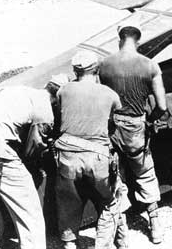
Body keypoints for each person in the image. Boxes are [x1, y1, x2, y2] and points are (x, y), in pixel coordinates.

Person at [0, 75, 68, 249]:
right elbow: (33, 149)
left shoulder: (19, 90)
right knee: (29, 208)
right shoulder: (45, 111)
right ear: (58, 98)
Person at [99, 23, 167, 244]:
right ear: (138, 41)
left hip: (113, 128)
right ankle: (155, 225)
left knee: (116, 176)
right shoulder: (150, 66)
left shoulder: (105, 65)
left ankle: (122, 234)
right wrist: (150, 119)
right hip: (136, 128)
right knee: (145, 173)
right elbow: (162, 106)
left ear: (120, 40)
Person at [54, 50, 128, 249]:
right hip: (97, 158)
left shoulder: (64, 91)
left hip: (67, 157)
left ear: (75, 70)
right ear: (96, 69)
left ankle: (70, 245)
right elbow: (114, 124)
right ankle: (105, 245)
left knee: (69, 204)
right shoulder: (110, 94)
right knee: (111, 202)